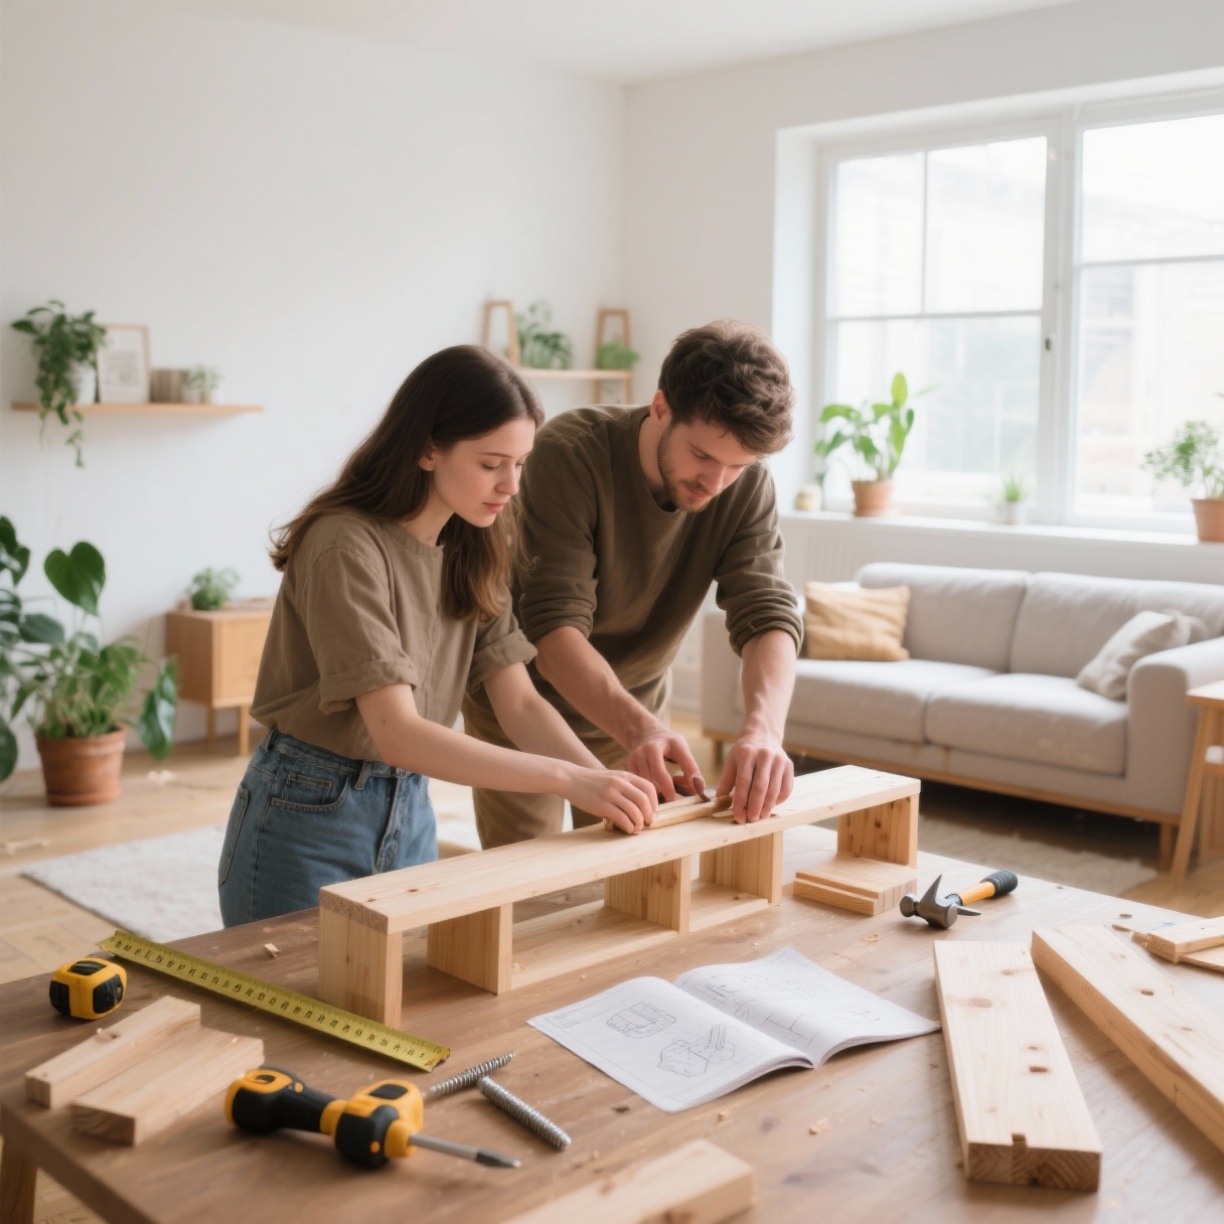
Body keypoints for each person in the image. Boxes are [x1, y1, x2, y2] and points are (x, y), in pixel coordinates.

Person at [218, 346, 656, 926]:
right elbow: (396, 731)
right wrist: (569, 779)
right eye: (491, 463)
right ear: (427, 448)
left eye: (521, 464)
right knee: (290, 1007)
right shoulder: (344, 545)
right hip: (306, 811)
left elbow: (520, 702)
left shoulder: (474, 545)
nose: (511, 486)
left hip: (410, 811)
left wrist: (602, 784)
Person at [462, 319, 802, 848]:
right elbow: (554, 633)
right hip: (524, 708)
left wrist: (764, 730)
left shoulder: (747, 483)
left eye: (738, 466)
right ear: (661, 407)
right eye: (704, 456)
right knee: (530, 893)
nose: (716, 484)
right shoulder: (569, 454)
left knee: (628, 891)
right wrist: (642, 729)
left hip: (637, 711)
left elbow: (768, 612)